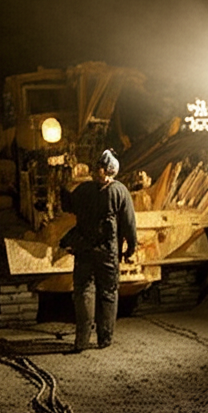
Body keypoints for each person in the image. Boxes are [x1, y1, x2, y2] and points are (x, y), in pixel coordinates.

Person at [61, 149, 136, 351]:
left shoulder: (84, 189)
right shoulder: (120, 191)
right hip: (107, 252)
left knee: (84, 291)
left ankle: (82, 340)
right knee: (108, 292)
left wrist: (63, 186)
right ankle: (105, 339)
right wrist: (131, 247)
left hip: (84, 249)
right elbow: (129, 223)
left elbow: (67, 206)